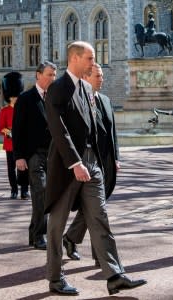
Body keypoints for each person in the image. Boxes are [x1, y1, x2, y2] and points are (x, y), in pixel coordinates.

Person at [44, 41, 146, 296]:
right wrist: (75, 163)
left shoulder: (84, 89)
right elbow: (59, 130)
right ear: (75, 58)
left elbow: (97, 131)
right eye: (90, 59)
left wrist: (103, 162)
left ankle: (114, 275)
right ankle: (56, 279)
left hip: (93, 166)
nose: (93, 62)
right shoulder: (58, 88)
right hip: (68, 167)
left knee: (100, 219)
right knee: (57, 225)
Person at [62, 63, 121, 267]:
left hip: (105, 161)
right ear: (86, 78)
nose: (101, 79)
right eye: (98, 76)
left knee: (95, 207)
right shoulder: (78, 100)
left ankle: (71, 237)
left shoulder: (105, 100)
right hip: (87, 161)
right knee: (97, 209)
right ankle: (101, 256)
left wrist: (116, 158)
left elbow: (112, 133)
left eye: (102, 75)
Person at [12, 61, 57, 250]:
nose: (53, 78)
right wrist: (19, 157)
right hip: (33, 154)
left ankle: (34, 233)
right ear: (38, 75)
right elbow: (17, 129)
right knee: (41, 192)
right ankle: (40, 235)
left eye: (54, 75)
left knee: (46, 195)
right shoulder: (26, 98)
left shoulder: (55, 98)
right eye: (49, 74)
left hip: (53, 155)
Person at [0, 72, 29, 200]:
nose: (15, 98)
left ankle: (24, 190)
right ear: (9, 97)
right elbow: (1, 128)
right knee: (11, 169)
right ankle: (14, 190)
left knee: (23, 168)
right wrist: (11, 133)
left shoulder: (24, 108)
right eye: (13, 97)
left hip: (22, 143)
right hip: (10, 144)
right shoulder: (4, 111)